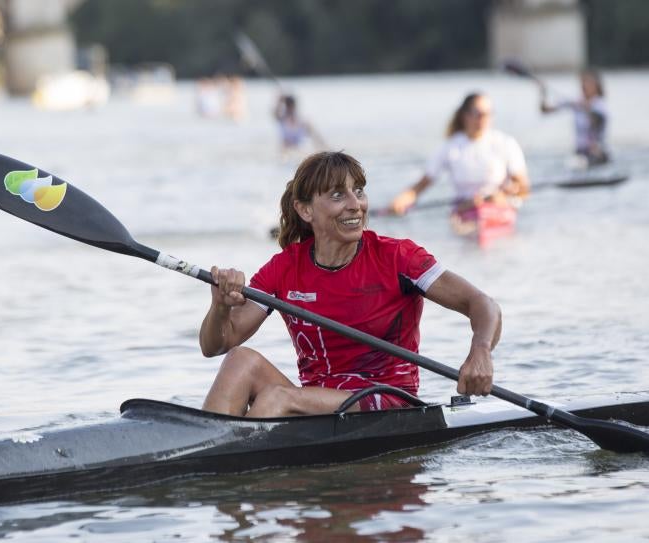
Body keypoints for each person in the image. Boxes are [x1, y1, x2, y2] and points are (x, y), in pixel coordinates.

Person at [199, 151, 502, 417]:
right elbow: (217, 345)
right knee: (239, 360)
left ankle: (227, 471)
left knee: (277, 399)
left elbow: (483, 305)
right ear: (305, 210)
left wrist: (481, 351)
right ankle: (206, 458)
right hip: (313, 401)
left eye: (358, 191)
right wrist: (220, 307)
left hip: (387, 401)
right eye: (337, 195)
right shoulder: (285, 267)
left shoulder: (398, 257)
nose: (355, 204)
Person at [389, 93, 529, 219]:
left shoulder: (506, 143)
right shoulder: (450, 146)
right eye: (478, 113)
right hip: (465, 208)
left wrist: (506, 194)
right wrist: (401, 200)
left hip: (498, 206)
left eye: (488, 113)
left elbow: (523, 188)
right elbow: (421, 186)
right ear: (465, 115)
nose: (483, 118)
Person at [539, 70, 609, 166]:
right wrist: (543, 92)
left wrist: (585, 108)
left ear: (596, 86)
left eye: (588, 83)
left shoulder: (599, 105)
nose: (584, 86)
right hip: (580, 153)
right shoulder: (576, 102)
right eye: (583, 82)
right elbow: (545, 110)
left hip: (596, 153)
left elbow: (597, 120)